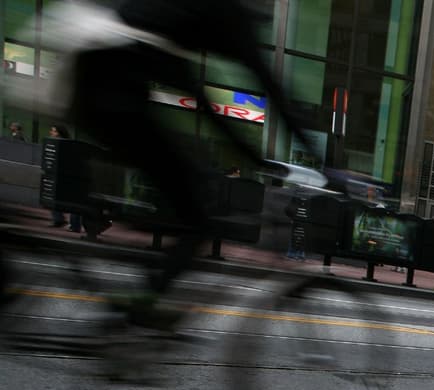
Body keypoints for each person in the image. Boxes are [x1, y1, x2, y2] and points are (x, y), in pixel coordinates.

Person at [45, 0, 319, 318]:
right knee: (198, 218)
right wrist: (319, 162)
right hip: (115, 81)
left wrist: (251, 157)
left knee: (181, 183)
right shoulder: (230, 16)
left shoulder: (186, 17)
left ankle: (142, 273)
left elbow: (201, 99)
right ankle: (145, 301)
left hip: (91, 74)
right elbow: (272, 91)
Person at [46, 125, 83, 234]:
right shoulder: (58, 143)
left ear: (59, 133)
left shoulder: (62, 144)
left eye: (54, 131)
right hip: (65, 176)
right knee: (54, 196)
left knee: (70, 200)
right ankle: (60, 220)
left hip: (69, 177)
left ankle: (70, 224)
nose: (51, 133)